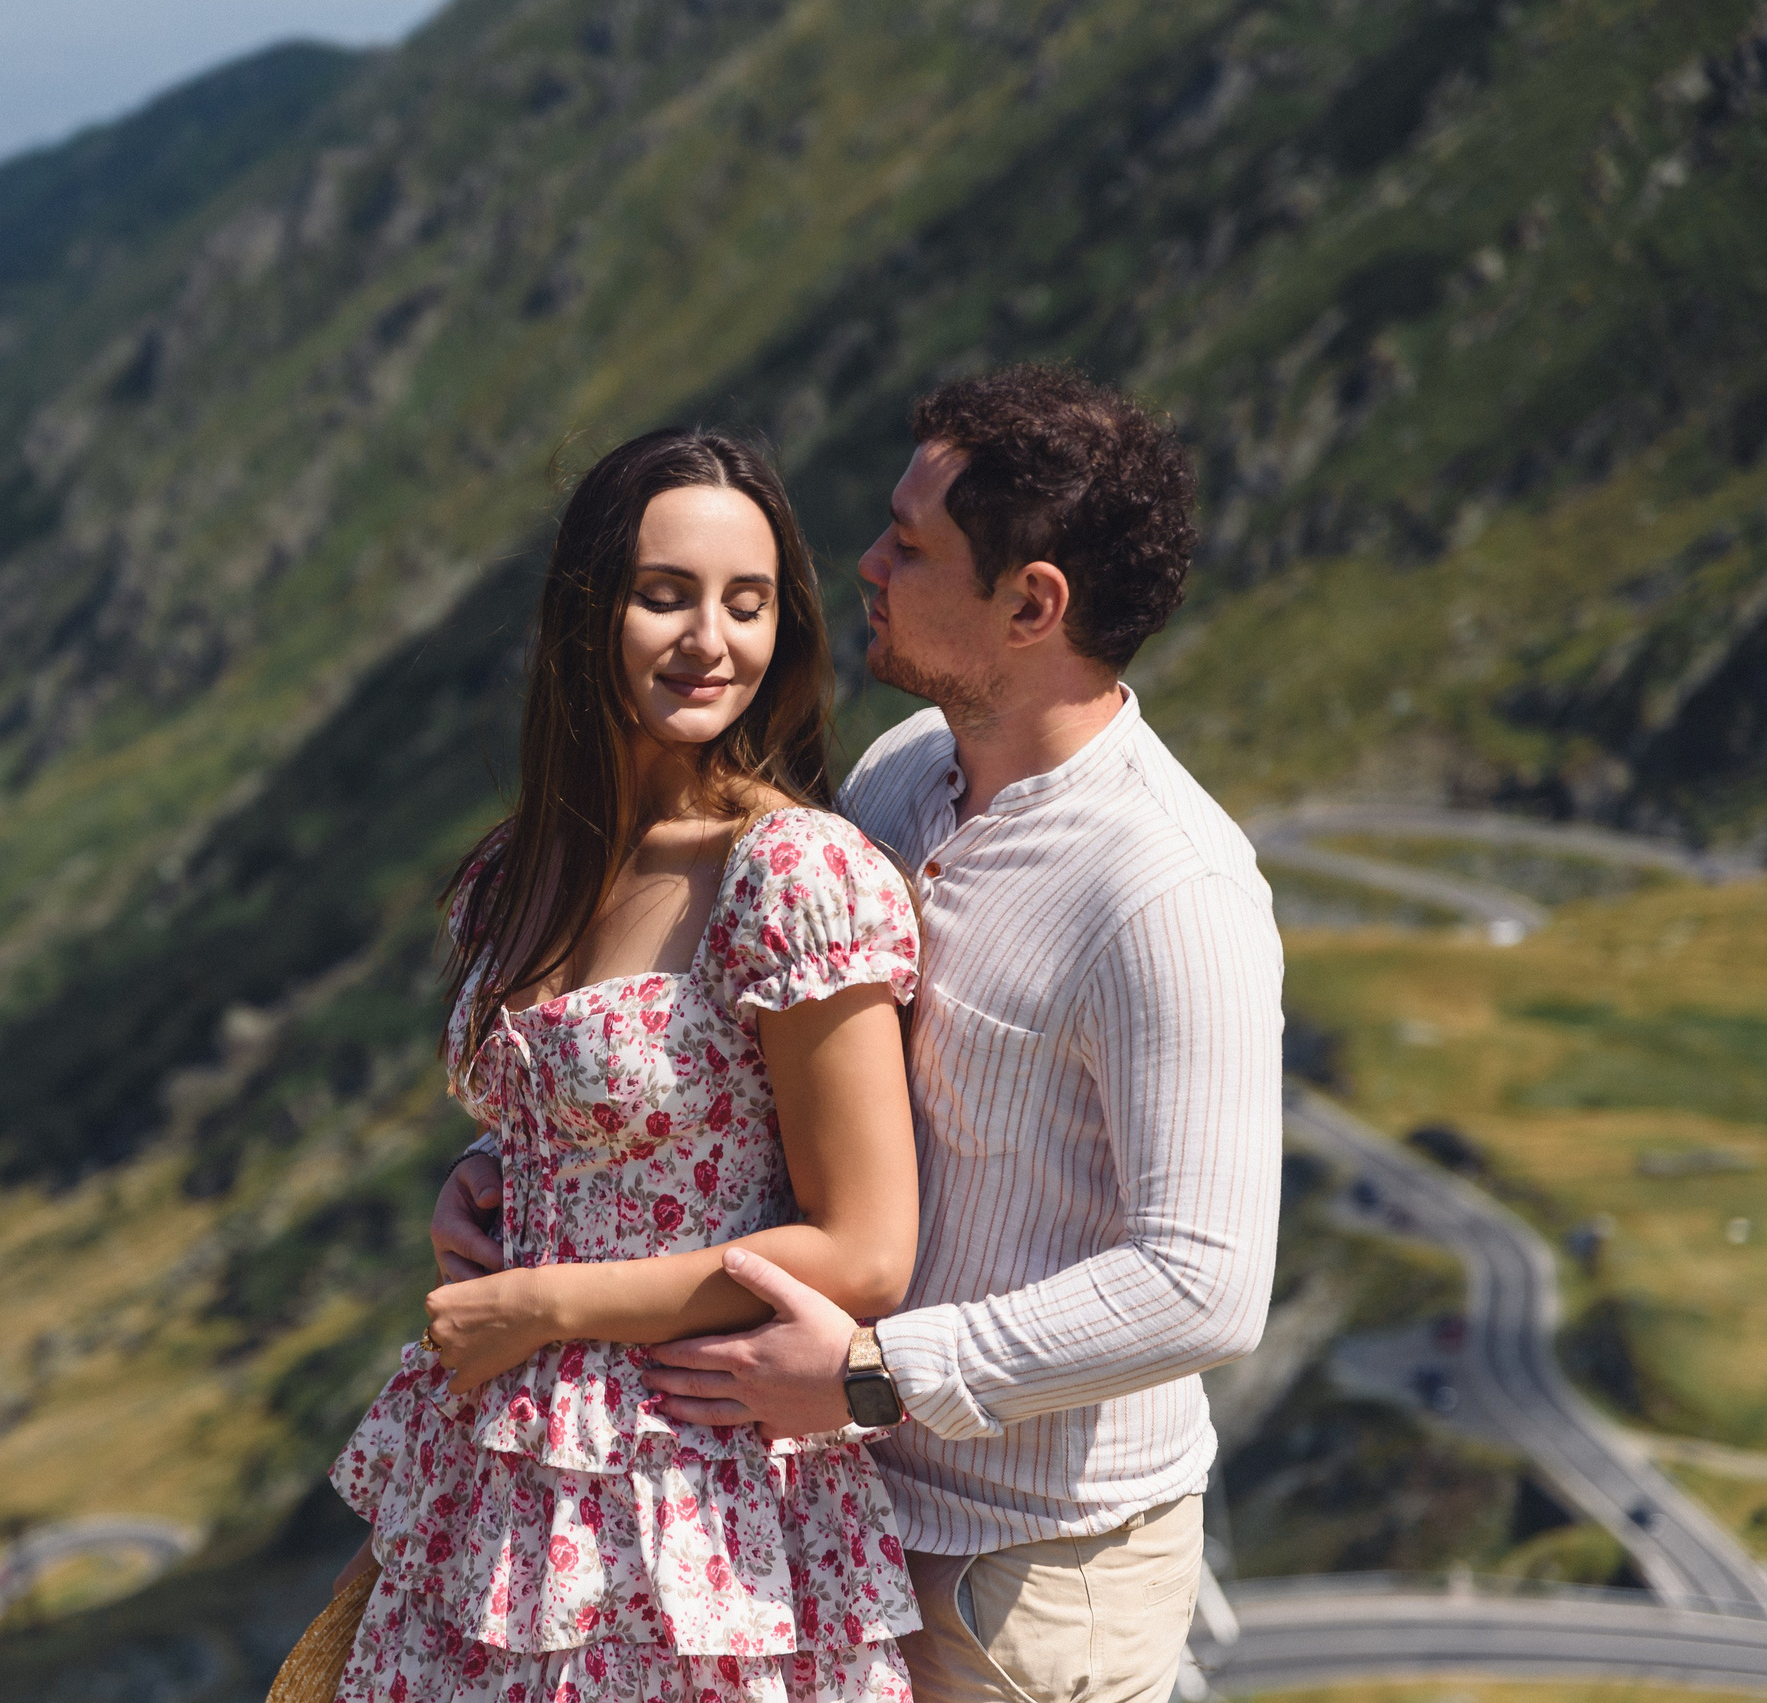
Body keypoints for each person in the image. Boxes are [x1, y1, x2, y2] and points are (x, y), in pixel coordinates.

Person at [433, 366, 1285, 1703]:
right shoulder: (904, 774)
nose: (868, 559)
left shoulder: (1165, 887)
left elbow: (1205, 1283)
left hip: (1032, 1564)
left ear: (1031, 603)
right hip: (836, 1499)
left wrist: (873, 1377)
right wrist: (539, 1172)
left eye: (913, 540)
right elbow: (742, 1060)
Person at [324, 427, 929, 1703]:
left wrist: (547, 1303)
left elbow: (865, 1249)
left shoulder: (789, 875)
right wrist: (485, 1179)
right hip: (502, 1471)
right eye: (667, 595)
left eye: (747, 603)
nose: (711, 639)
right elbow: (607, 1114)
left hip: (701, 1493)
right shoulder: (516, 869)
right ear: (588, 611)